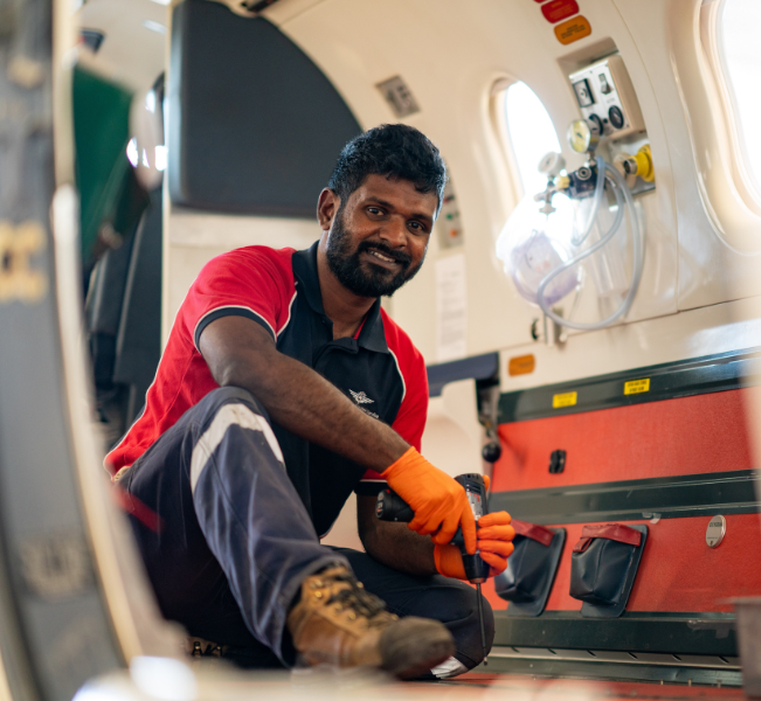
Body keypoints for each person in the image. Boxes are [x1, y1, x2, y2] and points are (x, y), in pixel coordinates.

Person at [105, 124, 515, 679]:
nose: (396, 237)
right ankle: (303, 627)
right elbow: (244, 368)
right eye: (377, 211)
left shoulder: (403, 369)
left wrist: (444, 553)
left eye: (417, 225)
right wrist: (403, 461)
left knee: (463, 620)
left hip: (263, 574)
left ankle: (266, 650)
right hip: (153, 549)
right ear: (329, 209)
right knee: (230, 409)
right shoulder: (248, 274)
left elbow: (378, 529)